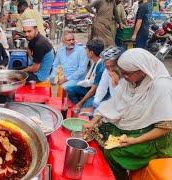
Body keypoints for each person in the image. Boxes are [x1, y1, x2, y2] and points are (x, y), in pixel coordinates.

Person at [83, 48, 172, 179]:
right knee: (98, 131)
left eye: (127, 74)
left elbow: (165, 127)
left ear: (142, 70)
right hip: (135, 127)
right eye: (122, 72)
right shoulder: (130, 81)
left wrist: (134, 141)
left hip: (156, 140)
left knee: (113, 152)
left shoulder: (161, 86)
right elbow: (113, 104)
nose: (123, 77)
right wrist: (93, 121)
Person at [67, 39, 105, 111]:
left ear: (91, 53)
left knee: (85, 108)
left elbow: (93, 90)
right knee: (69, 89)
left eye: (86, 50)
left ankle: (81, 106)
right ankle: (78, 107)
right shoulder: (95, 61)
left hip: (97, 93)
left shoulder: (101, 67)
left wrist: (81, 103)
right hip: (89, 88)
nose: (85, 52)